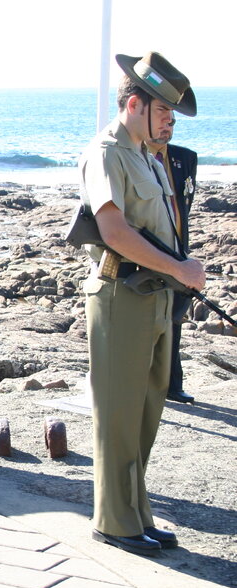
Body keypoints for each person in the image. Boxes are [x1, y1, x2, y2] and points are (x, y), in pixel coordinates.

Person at [79, 51, 205, 556]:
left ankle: (136, 513)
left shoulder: (144, 154)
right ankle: (114, 520)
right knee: (119, 416)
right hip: (121, 294)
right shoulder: (109, 151)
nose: (170, 123)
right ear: (135, 104)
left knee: (146, 414)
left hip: (154, 297)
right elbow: (114, 231)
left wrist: (177, 273)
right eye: (164, 113)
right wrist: (178, 268)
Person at [144, 124, 198, 403]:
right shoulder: (134, 158)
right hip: (144, 254)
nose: (167, 126)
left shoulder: (185, 158)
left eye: (173, 121)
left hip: (178, 253)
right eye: (162, 116)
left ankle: (173, 385)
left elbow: (183, 206)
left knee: (175, 318)